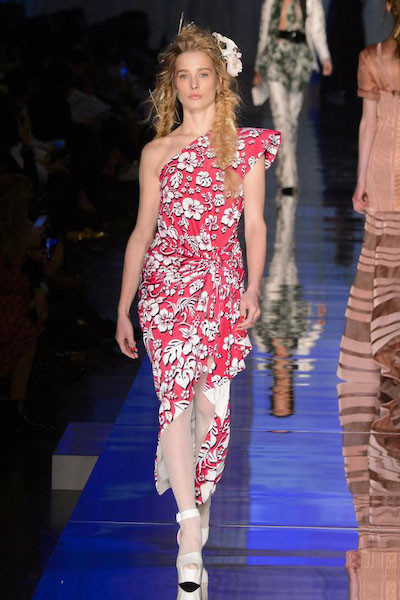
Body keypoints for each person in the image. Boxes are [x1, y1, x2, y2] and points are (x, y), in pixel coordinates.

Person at [115, 23, 280, 596]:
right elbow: (142, 233)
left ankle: (197, 500)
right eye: (183, 76)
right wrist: (123, 307)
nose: (192, 85)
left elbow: (255, 226)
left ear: (219, 80)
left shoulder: (245, 148)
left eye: (202, 75)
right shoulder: (156, 152)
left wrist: (253, 289)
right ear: (172, 84)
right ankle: (188, 527)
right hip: (165, 287)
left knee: (209, 411)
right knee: (174, 400)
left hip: (221, 286)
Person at [338, 2, 400, 442]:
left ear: (389, 6)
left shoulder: (373, 57)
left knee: (387, 263)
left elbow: (369, 122)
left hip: (383, 165)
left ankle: (389, 350)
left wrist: (361, 181)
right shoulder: (372, 57)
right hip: (385, 166)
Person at [253, 0, 332, 195]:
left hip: (299, 60)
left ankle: (285, 170)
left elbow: (317, 28)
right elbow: (264, 31)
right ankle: (288, 178)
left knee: (292, 121)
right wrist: (258, 67)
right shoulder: (271, 2)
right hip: (274, 58)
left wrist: (324, 57)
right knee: (281, 119)